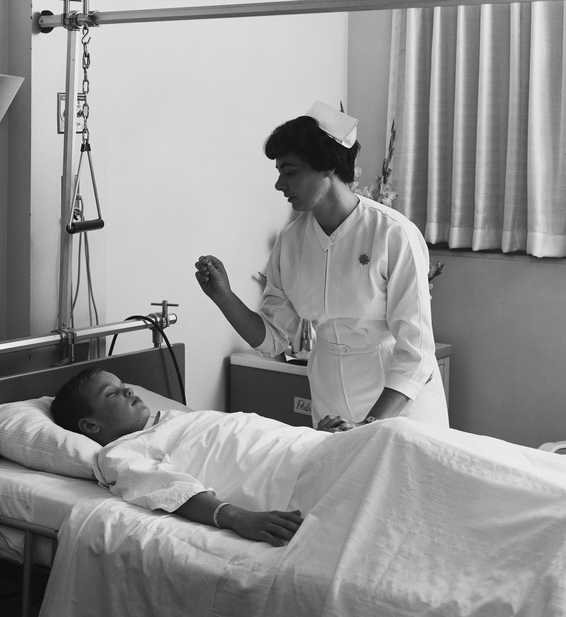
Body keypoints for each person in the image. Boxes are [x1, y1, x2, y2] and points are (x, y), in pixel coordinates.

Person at [195, 101, 448, 432]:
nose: (279, 185)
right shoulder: (292, 242)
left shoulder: (391, 233)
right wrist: (224, 297)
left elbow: (416, 352)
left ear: (327, 166)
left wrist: (368, 426)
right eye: (278, 172)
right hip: (331, 396)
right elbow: (273, 339)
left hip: (397, 405)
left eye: (290, 172)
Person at [52, 367, 313, 548]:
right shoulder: (119, 453)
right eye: (112, 393)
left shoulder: (172, 419)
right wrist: (236, 517)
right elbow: (167, 487)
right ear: (89, 426)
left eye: (124, 386)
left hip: (303, 445)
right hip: (291, 470)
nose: (129, 392)